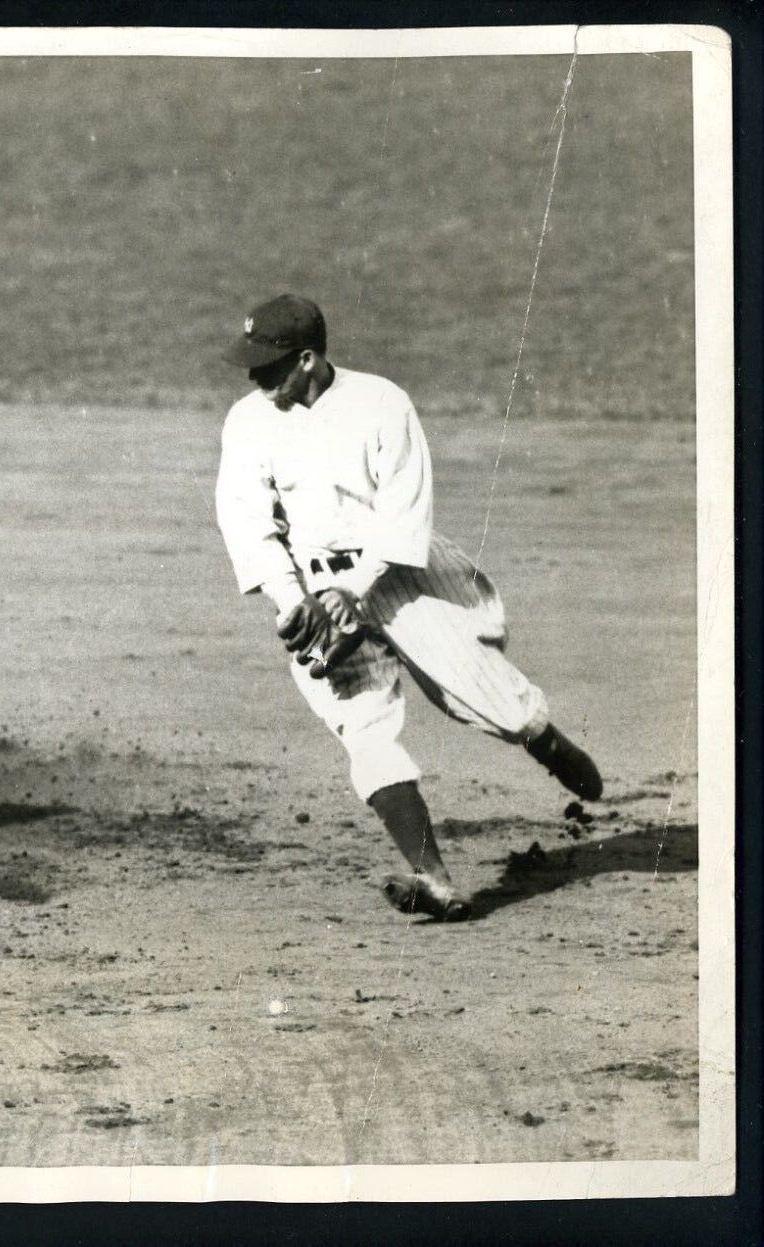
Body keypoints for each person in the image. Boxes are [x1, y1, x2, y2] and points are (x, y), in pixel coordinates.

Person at [214, 294, 602, 922]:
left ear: (309, 359)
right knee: (365, 733)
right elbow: (246, 523)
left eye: (270, 366)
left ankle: (541, 738)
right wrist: (295, 605)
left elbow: (404, 518)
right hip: (314, 587)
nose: (256, 379)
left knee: (487, 704)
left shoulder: (381, 404)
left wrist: (354, 592)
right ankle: (436, 879)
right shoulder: (248, 421)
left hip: (400, 573)